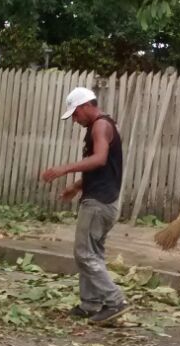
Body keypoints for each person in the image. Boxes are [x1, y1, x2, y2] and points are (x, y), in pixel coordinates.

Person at [40, 87, 127, 324]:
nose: (75, 120)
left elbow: (98, 159)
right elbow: (102, 167)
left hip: (99, 202)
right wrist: (76, 187)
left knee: (84, 254)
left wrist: (63, 169)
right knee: (92, 254)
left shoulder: (100, 125)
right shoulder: (101, 125)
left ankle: (115, 301)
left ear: (87, 106)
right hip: (103, 199)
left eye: (76, 114)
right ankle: (90, 304)